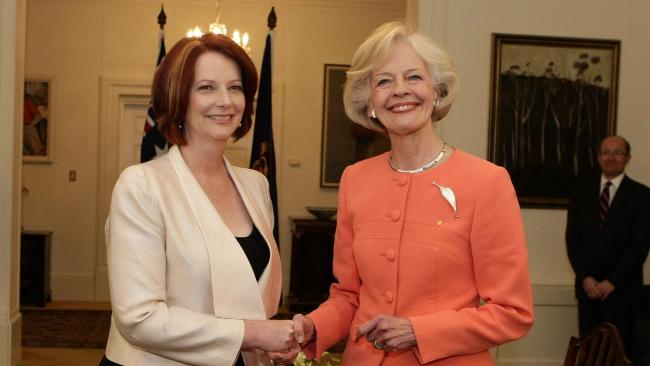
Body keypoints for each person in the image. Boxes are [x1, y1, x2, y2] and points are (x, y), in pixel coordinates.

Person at [273, 21, 534, 365]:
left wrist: (418, 331)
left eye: (413, 77)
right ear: (369, 103)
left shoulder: (487, 181)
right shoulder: (355, 179)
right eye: (384, 81)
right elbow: (349, 295)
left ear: (437, 91)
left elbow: (512, 312)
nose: (399, 90)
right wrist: (312, 326)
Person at [102, 34, 299, 366]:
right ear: (178, 99)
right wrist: (256, 334)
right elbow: (138, 318)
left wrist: (271, 342)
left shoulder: (256, 187)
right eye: (206, 87)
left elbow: (249, 294)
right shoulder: (142, 186)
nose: (225, 101)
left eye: (235, 88)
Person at [566, 135, 650, 358]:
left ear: (628, 158)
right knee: (590, 353)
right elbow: (573, 240)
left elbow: (640, 245)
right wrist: (586, 278)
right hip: (588, 290)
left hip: (622, 291)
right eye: (605, 152)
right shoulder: (581, 191)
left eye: (617, 152)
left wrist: (612, 282)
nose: (611, 158)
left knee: (619, 353)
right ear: (598, 156)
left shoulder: (642, 195)